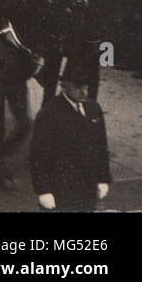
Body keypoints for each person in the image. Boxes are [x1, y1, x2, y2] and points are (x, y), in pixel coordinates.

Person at [29, 58, 111, 211]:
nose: (83, 91)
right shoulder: (49, 113)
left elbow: (100, 146)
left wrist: (103, 178)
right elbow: (38, 155)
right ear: (64, 86)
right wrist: (43, 190)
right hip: (60, 188)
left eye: (86, 86)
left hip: (87, 186)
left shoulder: (94, 108)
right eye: (77, 86)